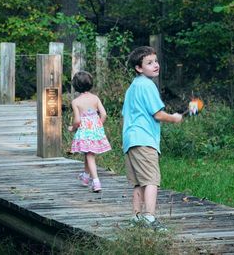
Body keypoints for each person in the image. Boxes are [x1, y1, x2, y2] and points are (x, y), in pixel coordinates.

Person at [122, 46, 183, 231]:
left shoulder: (132, 87)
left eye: (156, 61)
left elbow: (125, 115)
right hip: (144, 140)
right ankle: (149, 217)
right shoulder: (148, 85)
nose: (155, 65)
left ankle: (136, 217)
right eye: (149, 63)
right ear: (139, 68)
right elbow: (157, 114)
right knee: (151, 180)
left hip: (130, 141)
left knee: (138, 182)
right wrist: (174, 118)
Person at [68, 71, 111, 192]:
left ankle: (96, 181)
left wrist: (73, 128)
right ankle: (86, 177)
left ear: (75, 86)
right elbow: (104, 114)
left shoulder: (76, 102)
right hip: (95, 130)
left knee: (90, 155)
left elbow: (77, 120)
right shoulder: (95, 98)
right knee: (89, 153)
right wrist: (98, 125)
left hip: (85, 131)